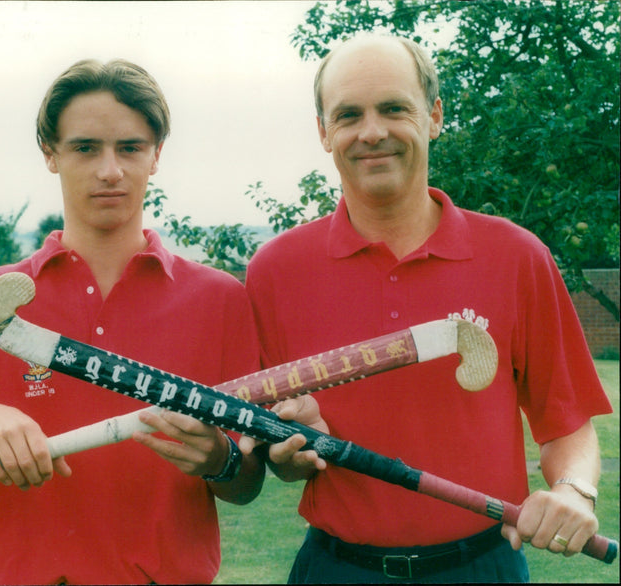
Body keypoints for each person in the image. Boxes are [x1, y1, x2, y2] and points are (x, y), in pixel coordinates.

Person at [242, 34, 612, 583]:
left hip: (482, 567)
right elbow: (266, 448)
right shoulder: (274, 270)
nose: (372, 132)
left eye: (394, 108)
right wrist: (288, 450)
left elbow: (567, 426)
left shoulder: (516, 256)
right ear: (324, 132)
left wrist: (574, 491)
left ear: (434, 115)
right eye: (348, 115)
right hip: (336, 568)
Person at [0, 59, 264, 585]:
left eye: (130, 147)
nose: (110, 170)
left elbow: (247, 483)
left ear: (156, 156)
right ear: (50, 154)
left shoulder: (221, 299)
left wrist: (218, 459)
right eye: (85, 148)